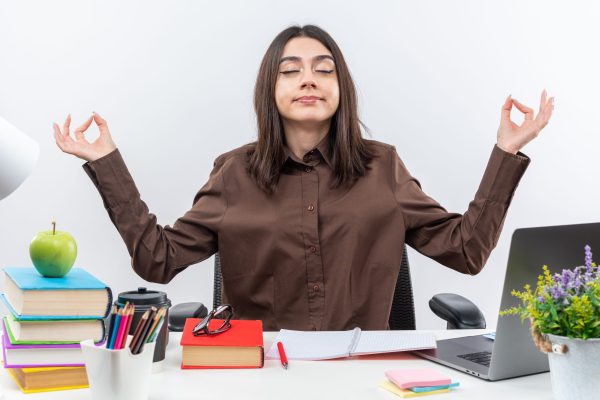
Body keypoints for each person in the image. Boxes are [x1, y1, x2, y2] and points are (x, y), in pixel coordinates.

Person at [54, 25, 553, 331]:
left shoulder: (383, 167)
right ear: (270, 90)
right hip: (262, 373)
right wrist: (107, 162)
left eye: (324, 69)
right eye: (290, 70)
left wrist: (505, 152)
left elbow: (465, 252)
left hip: (364, 375)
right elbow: (156, 260)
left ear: (342, 88)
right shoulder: (234, 172)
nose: (309, 79)